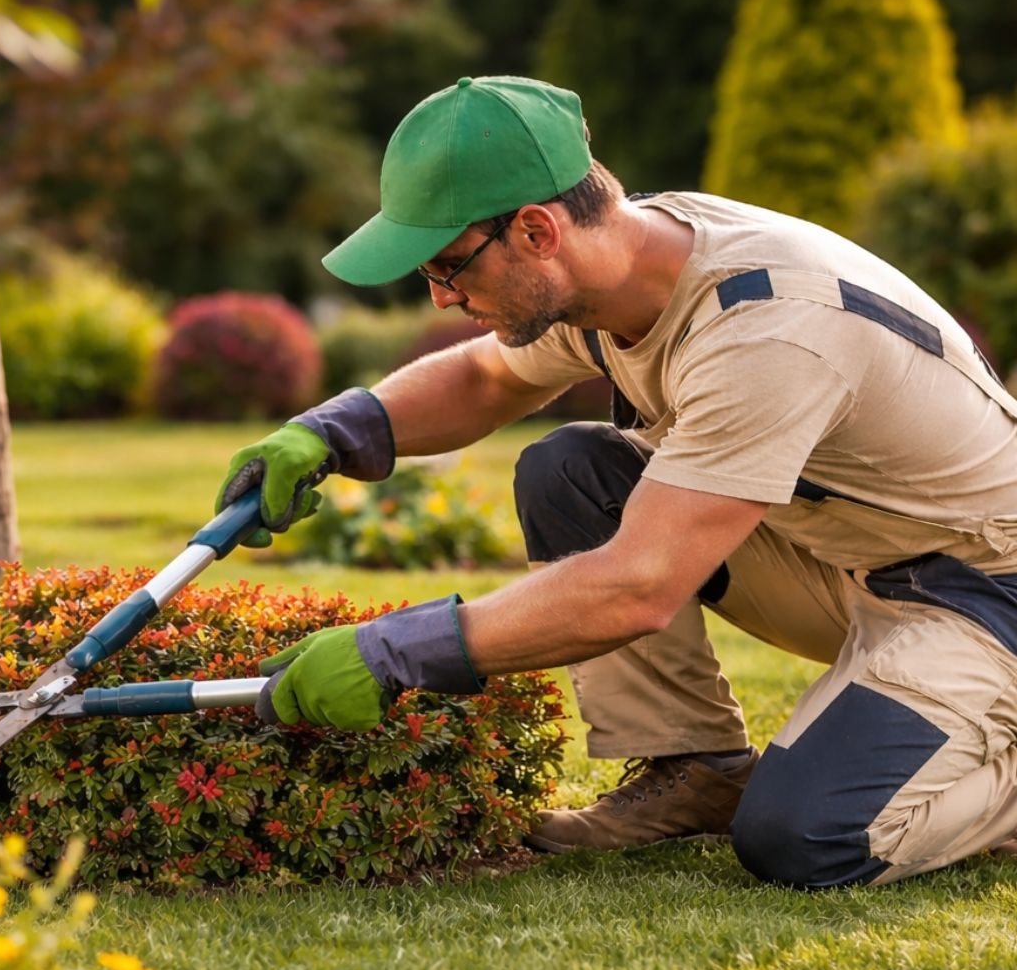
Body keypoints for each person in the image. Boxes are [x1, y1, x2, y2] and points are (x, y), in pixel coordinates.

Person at [218, 75, 1017, 889]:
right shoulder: (621, 275)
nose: (441, 296)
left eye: (451, 268)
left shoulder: (767, 329)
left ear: (536, 231)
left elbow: (637, 586)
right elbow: (489, 381)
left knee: (806, 836)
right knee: (574, 470)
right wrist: (332, 431)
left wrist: (394, 652)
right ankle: (695, 769)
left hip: (983, 595)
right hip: (852, 565)